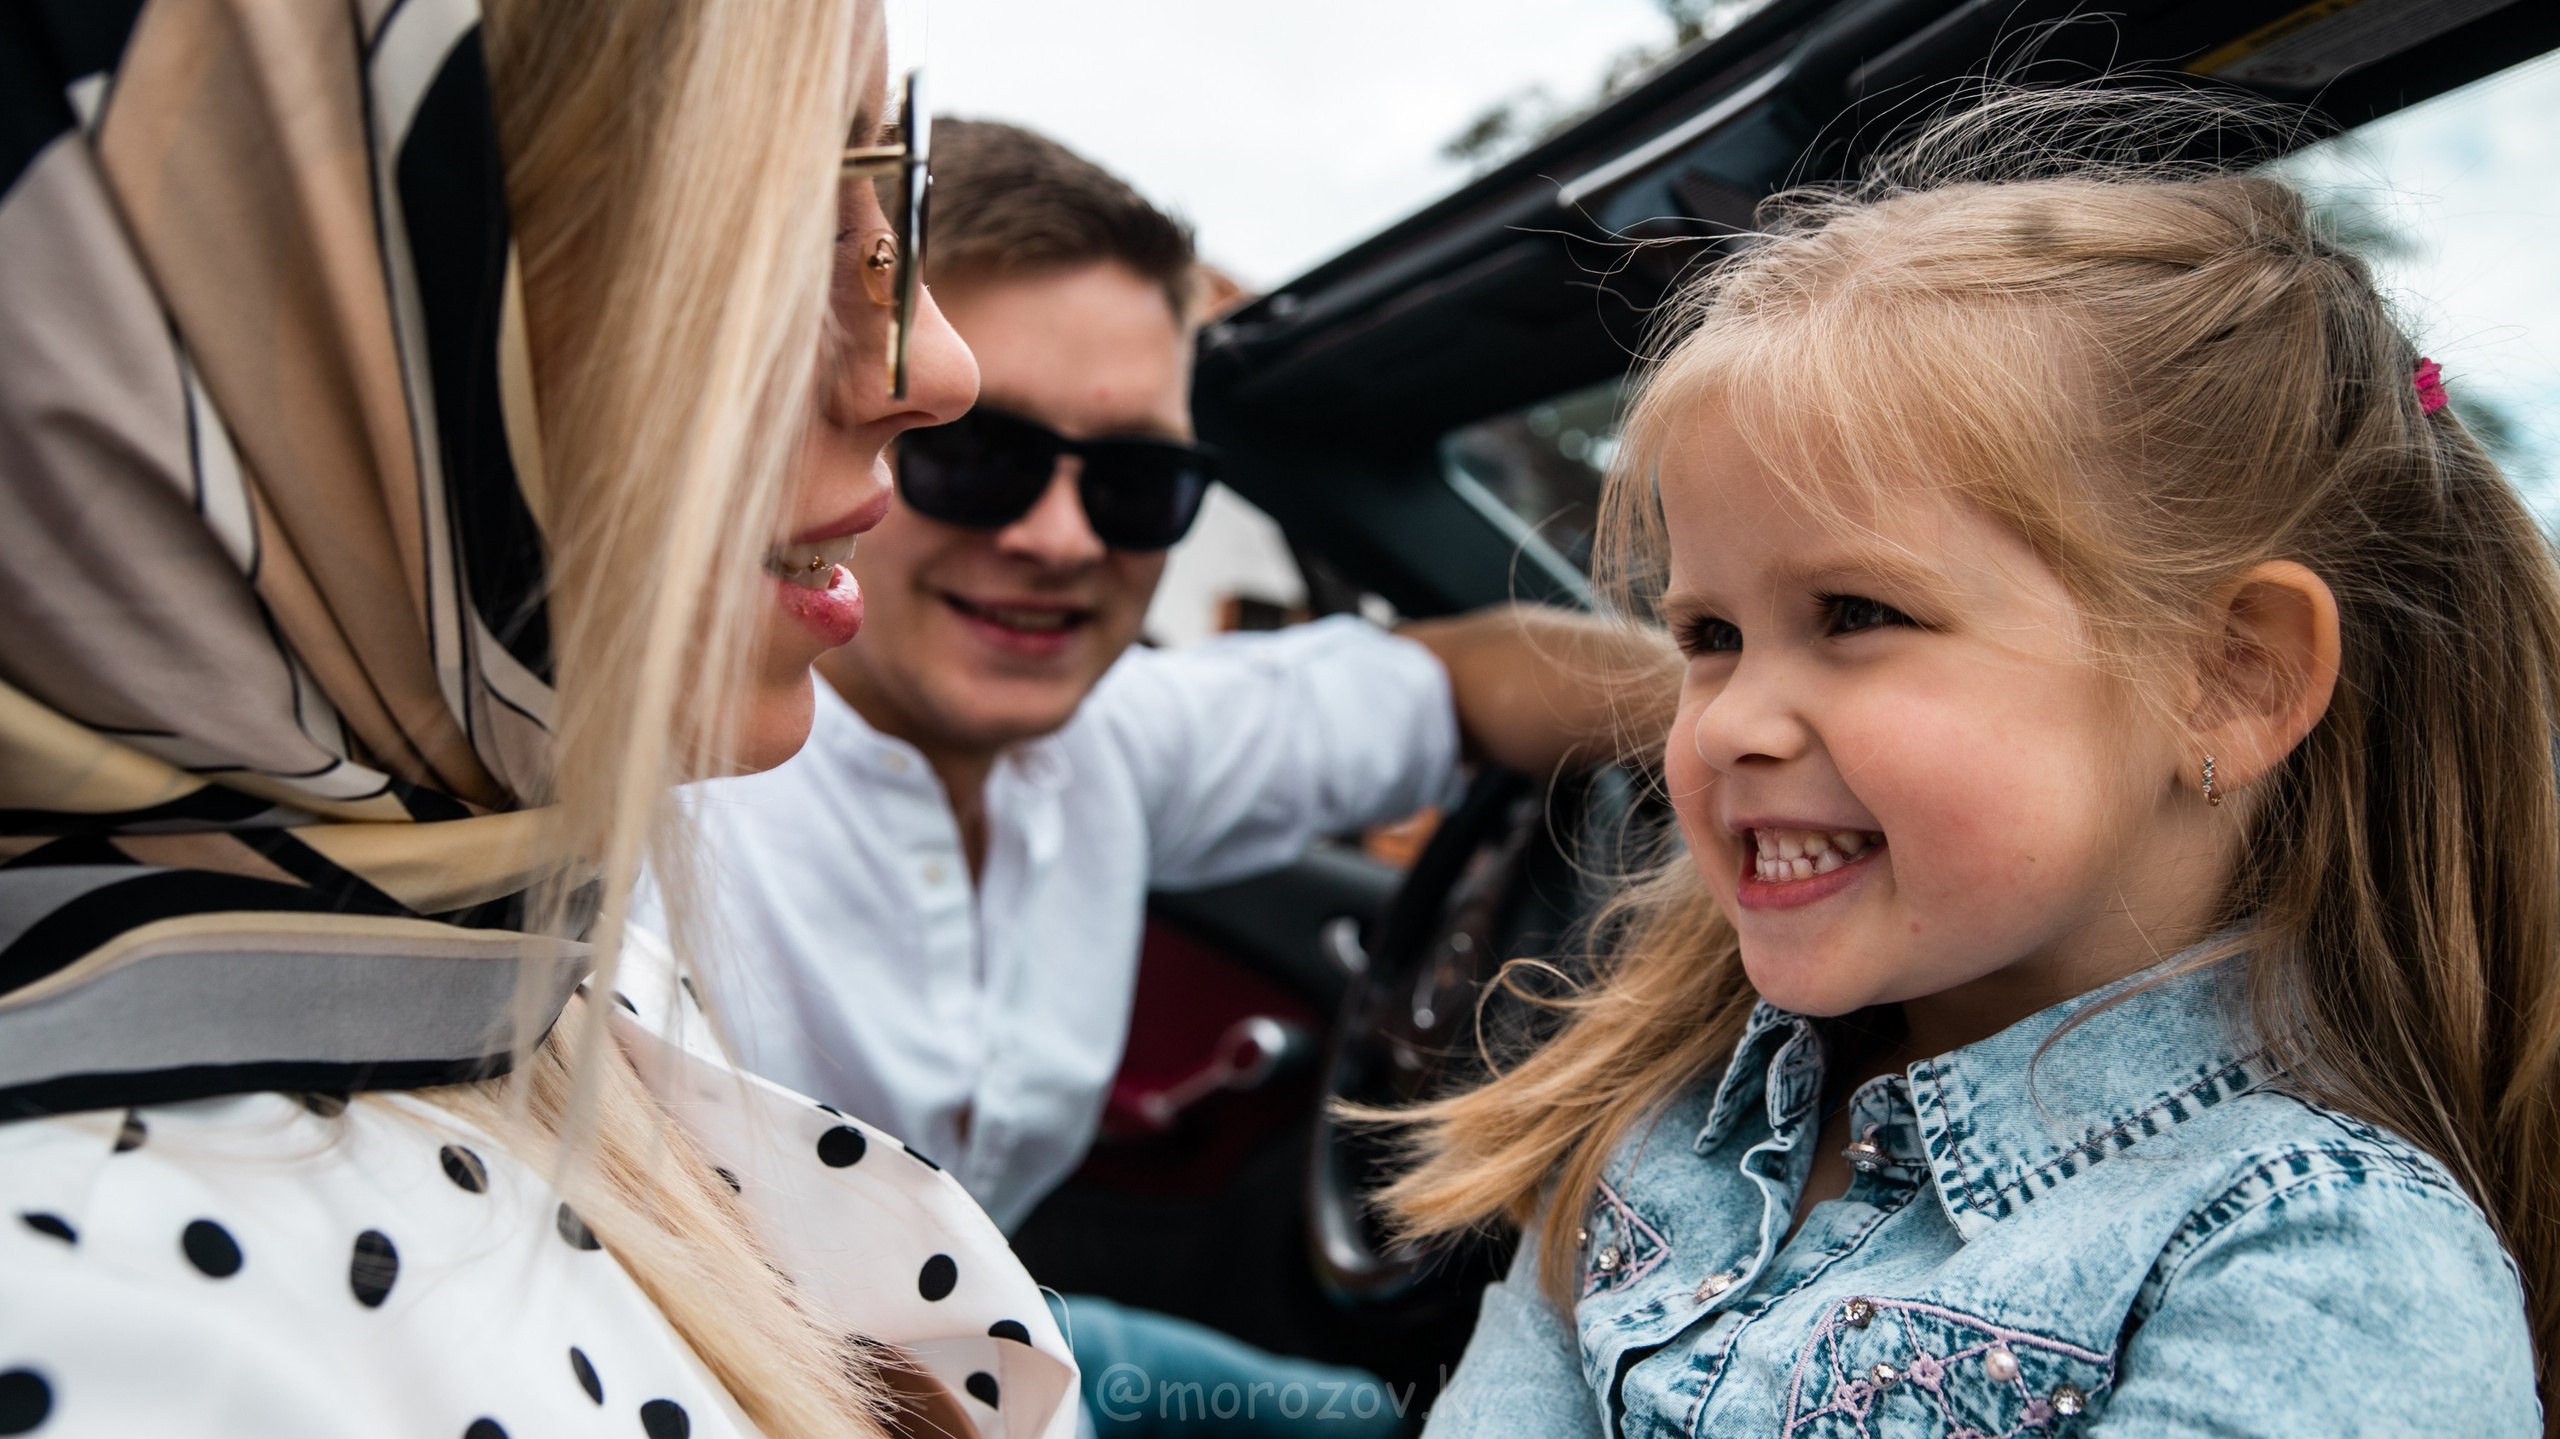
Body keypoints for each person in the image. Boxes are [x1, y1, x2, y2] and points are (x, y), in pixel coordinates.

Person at [1383, 90, 2552, 1436]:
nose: (1723, 726)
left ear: (2231, 677)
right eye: (1708, 633)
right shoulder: (1666, 1115)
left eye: (1859, 615)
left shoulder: (2323, 1281)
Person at [0, 3, 1074, 1437]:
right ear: (244, 326)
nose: (938, 368)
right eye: (755, 224)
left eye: (892, 195)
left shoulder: (483, 923)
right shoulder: (104, 1335)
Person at [638, 121, 1677, 1433]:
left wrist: (1777, 738)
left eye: (1137, 481)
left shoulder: (1112, 738)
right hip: (738, 1385)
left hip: (982, 1331)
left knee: (1366, 1420)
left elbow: (1474, 671)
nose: (1061, 538)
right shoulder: (655, 795)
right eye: (978, 455)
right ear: (868, 421)